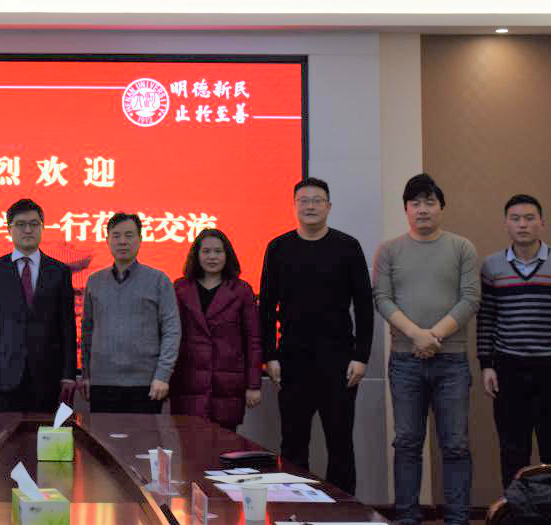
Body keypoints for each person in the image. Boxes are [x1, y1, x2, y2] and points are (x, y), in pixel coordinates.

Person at [373, 174, 480, 525]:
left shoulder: (461, 248)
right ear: (406, 209)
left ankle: (458, 518)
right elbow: (382, 299)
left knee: (455, 444)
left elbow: (470, 298)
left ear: (441, 208)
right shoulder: (389, 250)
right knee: (406, 442)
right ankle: (406, 516)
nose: (422, 209)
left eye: (430, 202)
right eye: (415, 203)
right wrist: (416, 335)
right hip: (405, 360)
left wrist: (432, 336)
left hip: (452, 361)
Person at [258, 177, 373, 495]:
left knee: (340, 442)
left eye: (317, 200)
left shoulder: (347, 246)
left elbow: (364, 305)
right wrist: (270, 355)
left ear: (329, 206)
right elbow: (266, 307)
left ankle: (343, 511)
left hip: (339, 361)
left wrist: (361, 356)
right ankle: (294, 507)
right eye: (304, 200)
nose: (310, 206)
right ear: (294, 206)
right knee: (293, 443)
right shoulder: (278, 248)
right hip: (292, 360)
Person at [478, 194, 551, 488]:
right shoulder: (492, 266)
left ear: (542, 223)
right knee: (512, 450)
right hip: (508, 370)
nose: (523, 225)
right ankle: (516, 508)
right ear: (505, 224)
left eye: (529, 218)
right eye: (515, 219)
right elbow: (486, 319)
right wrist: (486, 365)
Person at [0, 198, 77, 412]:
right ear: (9, 229)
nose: (28, 230)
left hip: (48, 375)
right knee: (3, 431)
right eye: (21, 224)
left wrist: (68, 374)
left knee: (45, 432)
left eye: (34, 224)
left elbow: (67, 327)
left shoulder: (59, 271)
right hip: (4, 375)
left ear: (42, 227)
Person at [80, 212, 181, 414]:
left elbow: (172, 330)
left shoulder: (158, 280)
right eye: (116, 236)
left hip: (146, 383)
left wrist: (162, 375)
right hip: (102, 383)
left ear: (140, 239)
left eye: (129, 235)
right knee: (103, 434)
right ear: (107, 240)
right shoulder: (95, 281)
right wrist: (86, 375)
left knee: (143, 435)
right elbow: (87, 330)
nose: (122, 241)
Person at [170, 228, 262, 430]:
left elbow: (253, 341)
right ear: (197, 255)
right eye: (206, 251)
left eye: (218, 251)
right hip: (187, 384)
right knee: (189, 446)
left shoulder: (241, 291)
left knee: (224, 446)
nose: (212, 257)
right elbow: (170, 336)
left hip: (227, 387)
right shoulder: (180, 289)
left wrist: (254, 385)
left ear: (227, 255)